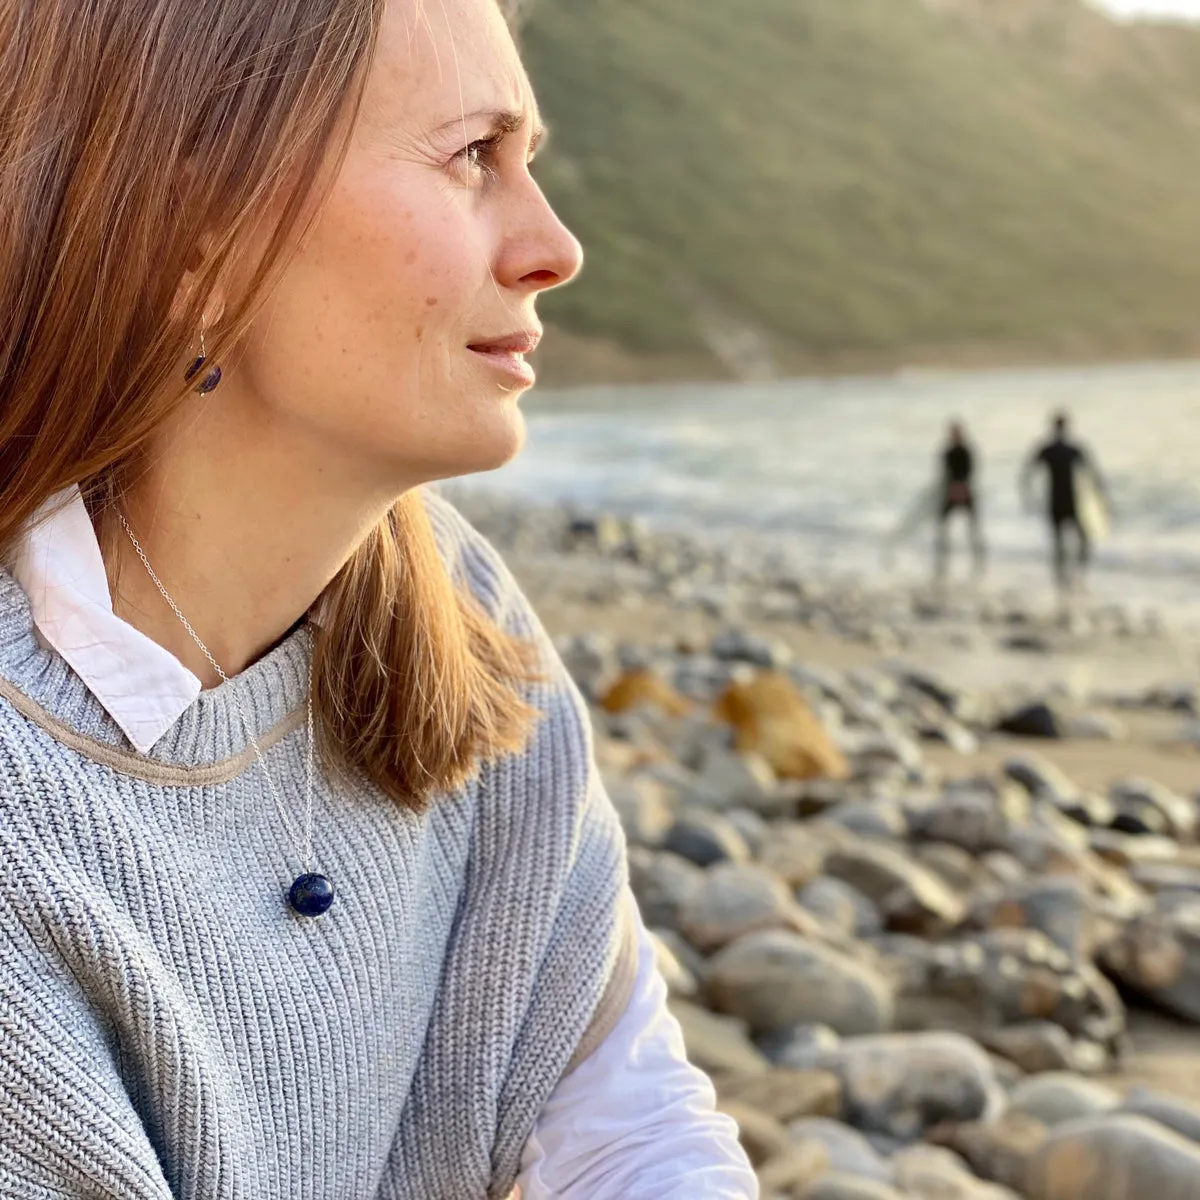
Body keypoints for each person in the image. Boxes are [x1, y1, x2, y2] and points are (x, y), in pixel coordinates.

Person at [0, 2, 758, 1198]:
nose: (556, 246)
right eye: (473, 157)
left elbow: (630, 1125)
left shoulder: (451, 605)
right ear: (199, 232)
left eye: (530, 164)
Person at [1020, 411, 1110, 592]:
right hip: (1067, 501)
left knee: (1064, 542)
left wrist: (1029, 496)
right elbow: (1094, 474)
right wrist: (1101, 497)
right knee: (1073, 541)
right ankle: (1072, 576)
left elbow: (1027, 473)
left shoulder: (1053, 449)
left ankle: (1066, 578)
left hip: (1061, 501)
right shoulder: (1066, 449)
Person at [934, 420, 985, 581]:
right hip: (952, 491)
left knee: (972, 524)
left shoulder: (965, 451)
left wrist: (960, 487)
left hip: (964, 490)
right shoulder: (948, 451)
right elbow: (945, 473)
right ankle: (943, 552)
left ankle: (977, 552)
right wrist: (951, 488)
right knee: (943, 522)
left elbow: (970, 471)